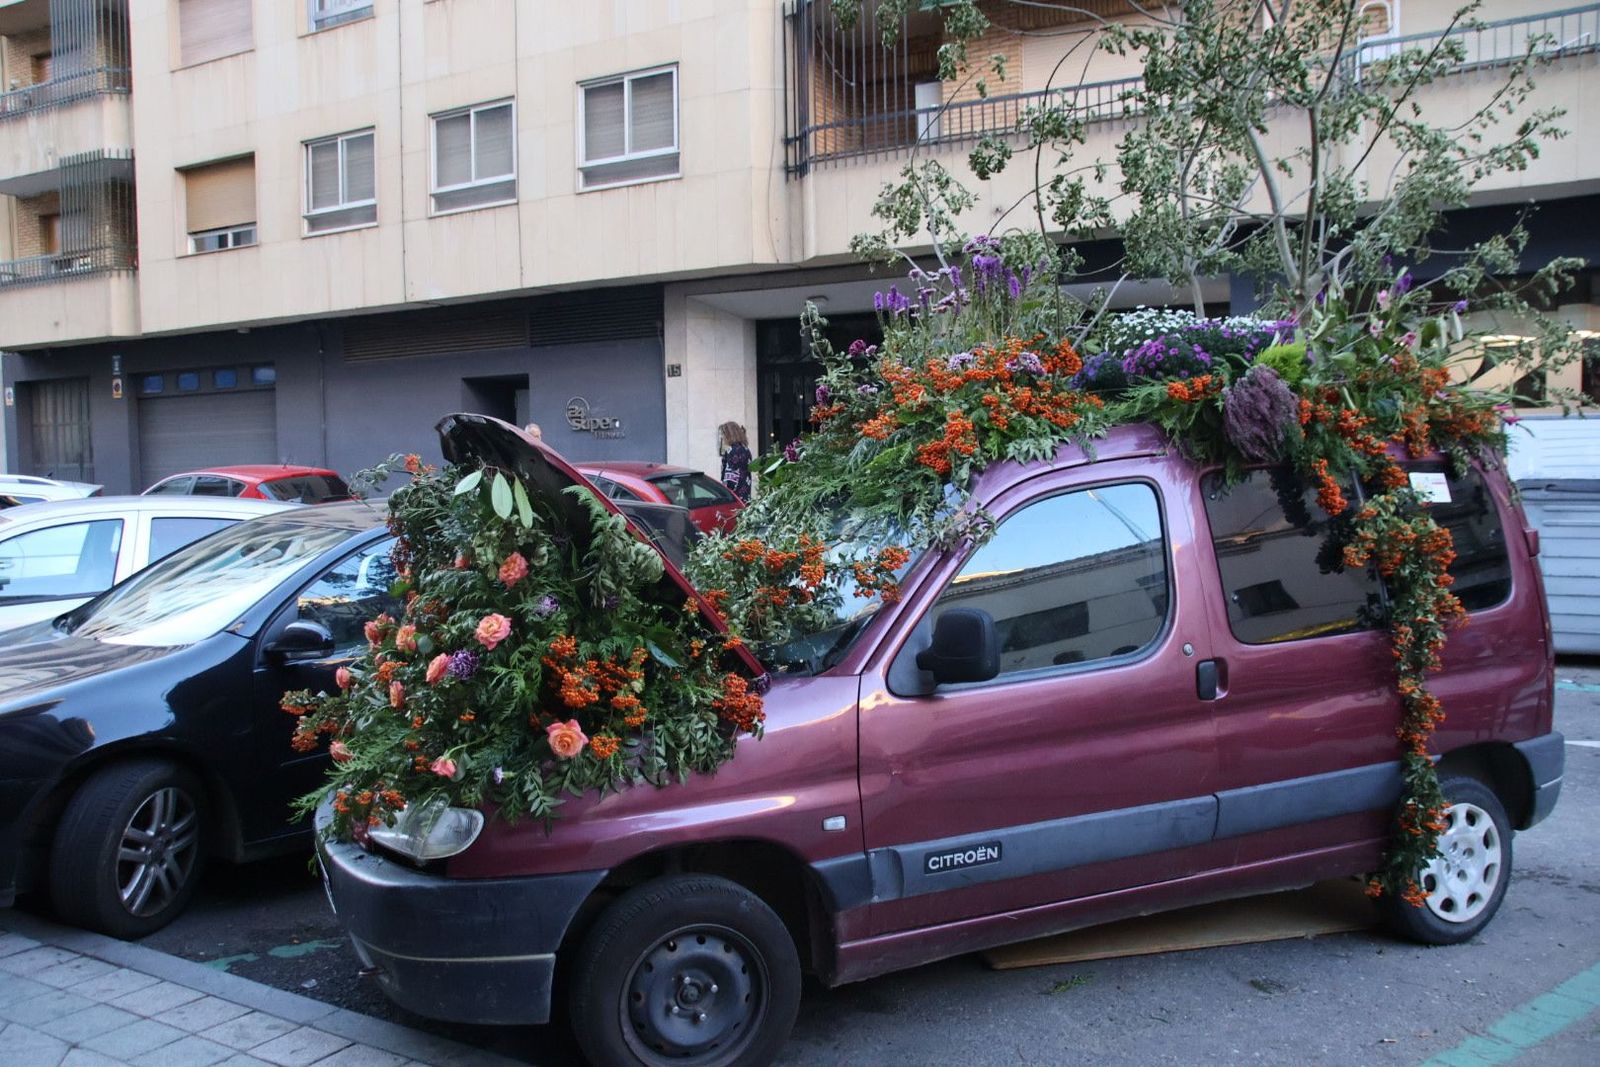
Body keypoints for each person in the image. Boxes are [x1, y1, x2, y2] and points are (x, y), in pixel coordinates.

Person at [718, 421, 752, 502]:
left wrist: (725, 494)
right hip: (745, 494)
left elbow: (730, 477)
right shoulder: (745, 449)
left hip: (735, 497)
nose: (722, 437)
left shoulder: (732, 451)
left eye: (723, 434)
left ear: (729, 434)